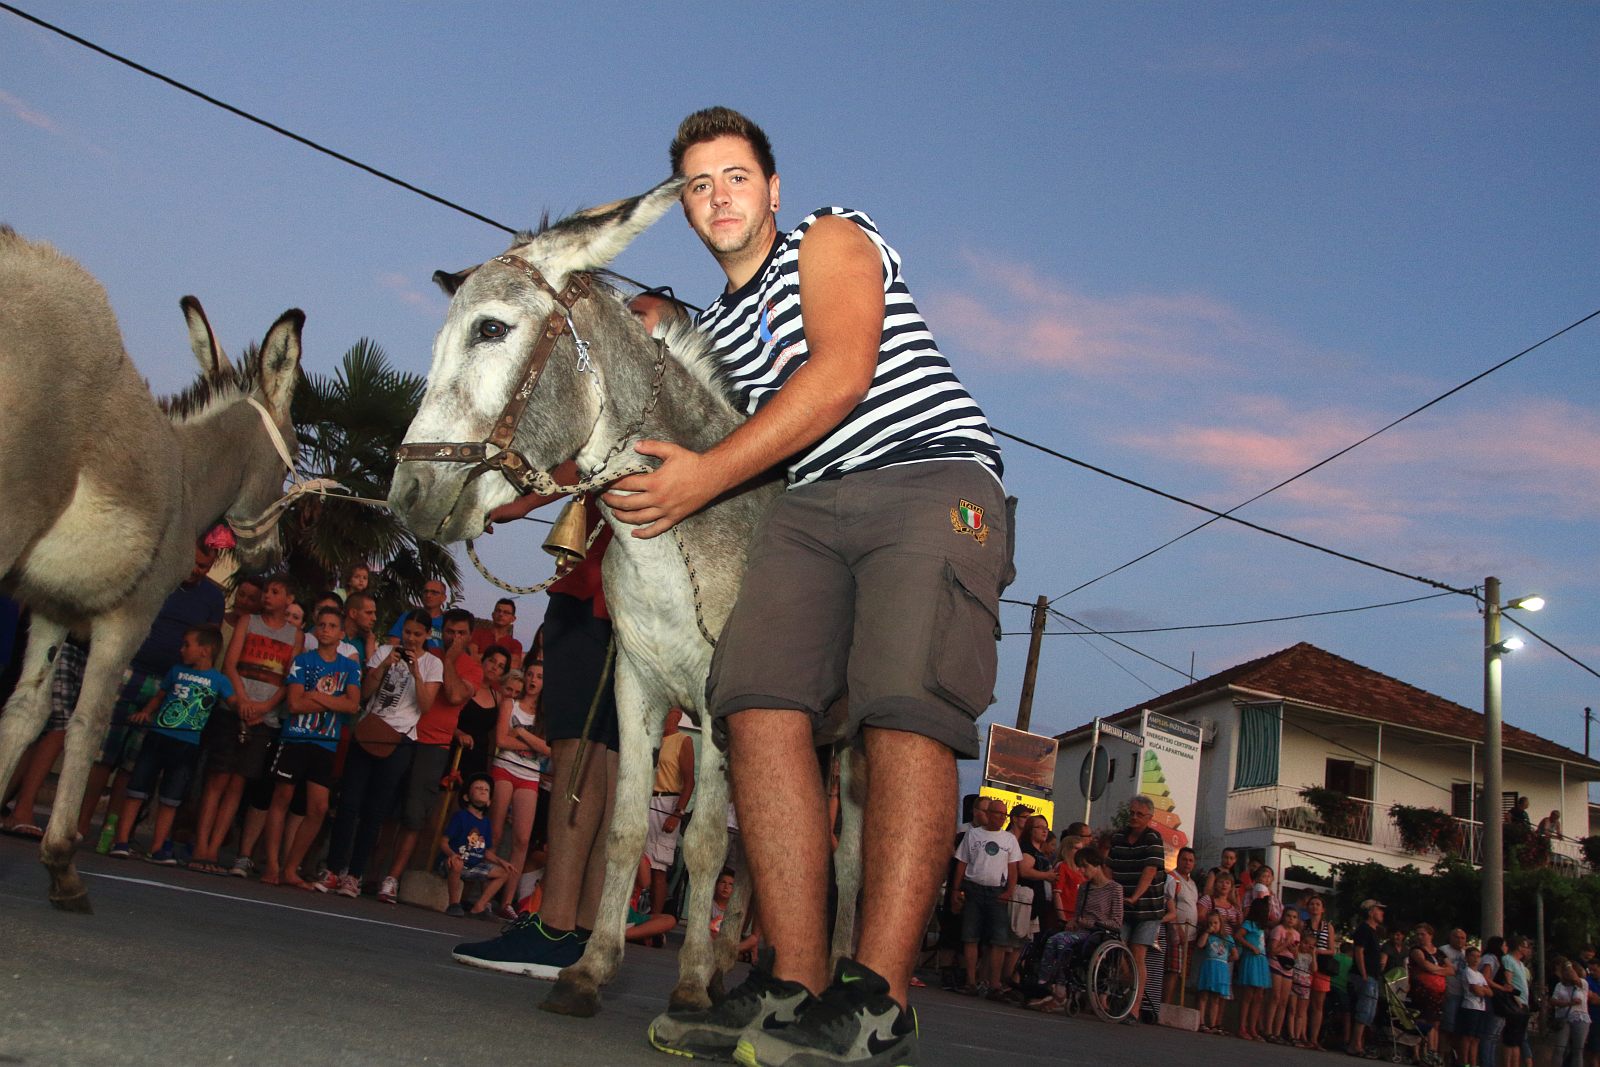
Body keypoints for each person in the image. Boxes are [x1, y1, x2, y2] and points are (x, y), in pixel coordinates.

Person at [626, 107, 1010, 1067]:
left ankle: (877, 998)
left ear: (772, 189)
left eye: (735, 176)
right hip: (807, 502)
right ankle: (793, 984)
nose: (719, 196)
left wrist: (700, 478)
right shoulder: (714, 332)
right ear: (686, 209)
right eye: (699, 185)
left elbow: (840, 374)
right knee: (753, 700)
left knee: (902, 707)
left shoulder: (828, 237)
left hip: (931, 475)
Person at [323, 611, 441, 898]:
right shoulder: (385, 652)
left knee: (375, 811)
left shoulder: (432, 663)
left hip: (400, 740)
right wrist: (386, 665)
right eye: (407, 632)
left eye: (417, 634)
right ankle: (333, 868)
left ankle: (355, 874)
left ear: (427, 635)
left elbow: (426, 706)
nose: (410, 639)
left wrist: (415, 672)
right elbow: (365, 692)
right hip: (370, 730)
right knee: (348, 803)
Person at [191, 575, 296, 878]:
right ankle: (202, 846)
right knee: (217, 779)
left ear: (288, 599)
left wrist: (265, 706)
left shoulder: (295, 636)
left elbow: (289, 678)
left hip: (264, 719)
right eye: (267, 591)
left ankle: (215, 846)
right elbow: (230, 663)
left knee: (238, 784)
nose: (268, 596)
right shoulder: (248, 621)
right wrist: (242, 701)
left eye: (276, 592)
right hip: (233, 711)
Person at [380, 609, 483, 903]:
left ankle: (393, 877)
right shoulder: (427, 654)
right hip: (403, 734)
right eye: (450, 631)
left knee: (414, 815)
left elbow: (454, 695)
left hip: (434, 745)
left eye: (461, 633)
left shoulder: (472, 668)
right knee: (388, 808)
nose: (455, 637)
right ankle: (372, 872)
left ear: (470, 636)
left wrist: (449, 660)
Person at [107, 626, 233, 863]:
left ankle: (157, 847)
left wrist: (249, 709)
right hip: (158, 736)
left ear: (205, 650)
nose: (182, 649)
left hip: (187, 744)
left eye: (187, 645)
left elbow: (234, 701)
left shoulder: (219, 680)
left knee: (171, 798)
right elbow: (160, 696)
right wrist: (146, 712)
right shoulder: (176, 671)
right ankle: (121, 840)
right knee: (137, 789)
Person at [261, 606, 362, 888]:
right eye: (322, 625)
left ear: (341, 634)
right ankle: (272, 864)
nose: (326, 630)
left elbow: (352, 705)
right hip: (295, 737)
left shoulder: (350, 667)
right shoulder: (303, 661)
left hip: (326, 743)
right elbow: (294, 704)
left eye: (332, 625)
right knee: (282, 797)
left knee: (318, 808)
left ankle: (291, 868)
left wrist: (316, 695)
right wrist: (333, 701)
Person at [1027, 847, 1124, 1013]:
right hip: (1081, 930)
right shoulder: (1084, 888)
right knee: (1052, 939)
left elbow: (1116, 922)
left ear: (1097, 865)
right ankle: (1046, 982)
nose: (1082, 871)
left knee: (1062, 942)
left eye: (1085, 866)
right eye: (1080, 867)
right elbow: (1078, 913)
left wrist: (1090, 923)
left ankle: (1060, 990)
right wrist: (1073, 921)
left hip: (1099, 933)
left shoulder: (1114, 888)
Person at [489, 665, 549, 919]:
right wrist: (533, 744)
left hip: (530, 774)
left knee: (523, 839)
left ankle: (507, 901)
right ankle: (483, 891)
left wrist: (521, 732)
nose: (533, 680)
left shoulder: (545, 715)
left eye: (539, 677)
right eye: (530, 675)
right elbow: (501, 740)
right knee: (495, 831)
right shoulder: (510, 704)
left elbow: (549, 749)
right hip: (505, 766)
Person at [950, 797, 1021, 997]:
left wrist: (1009, 891)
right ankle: (971, 981)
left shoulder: (1009, 840)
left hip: (997, 892)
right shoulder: (973, 834)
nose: (1002, 818)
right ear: (988, 814)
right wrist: (956, 889)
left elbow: (1013, 868)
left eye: (1004, 814)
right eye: (998, 813)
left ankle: (994, 983)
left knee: (999, 939)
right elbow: (962, 862)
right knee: (970, 936)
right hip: (973, 889)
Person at [1109, 795, 1168, 1018]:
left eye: (1139, 814)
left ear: (1149, 818)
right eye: (1132, 813)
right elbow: (1109, 867)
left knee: (1138, 953)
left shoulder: (1153, 839)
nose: (1134, 817)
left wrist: (1135, 896)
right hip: (1121, 903)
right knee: (1117, 948)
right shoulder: (1118, 837)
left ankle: (1134, 1008)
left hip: (1148, 907)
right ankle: (1123, 989)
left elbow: (1150, 870)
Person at [645, 708, 696, 923]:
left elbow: (689, 781)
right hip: (645, 798)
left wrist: (677, 813)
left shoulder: (683, 740)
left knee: (659, 865)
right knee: (637, 859)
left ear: (678, 715)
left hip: (667, 801)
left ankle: (655, 921)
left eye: (671, 712)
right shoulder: (650, 737)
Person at [440, 773, 514, 918]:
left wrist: (501, 862)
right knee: (458, 864)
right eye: (478, 788)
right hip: (453, 863)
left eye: (486, 790)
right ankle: (454, 904)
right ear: (466, 797)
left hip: (474, 865)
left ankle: (479, 906)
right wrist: (452, 855)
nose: (483, 791)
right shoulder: (460, 816)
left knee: (504, 872)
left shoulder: (486, 823)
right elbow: (443, 842)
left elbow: (485, 851)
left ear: (489, 801)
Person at [458, 644, 512, 782]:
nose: (494, 667)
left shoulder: (498, 698)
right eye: (492, 661)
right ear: (483, 660)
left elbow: (494, 735)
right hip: (455, 748)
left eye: (500, 666)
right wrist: (458, 733)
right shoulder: (464, 685)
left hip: (479, 755)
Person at [1348, 898, 1386, 1057]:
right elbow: (1359, 951)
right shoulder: (1364, 929)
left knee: (1369, 1012)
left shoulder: (1375, 931)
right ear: (1371, 912)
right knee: (1364, 1010)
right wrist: (1363, 973)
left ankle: (1358, 1043)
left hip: (1373, 976)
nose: (1382, 913)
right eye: (1379, 909)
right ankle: (1355, 1044)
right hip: (1365, 976)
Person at [1409, 924, 1452, 1060]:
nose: (1420, 937)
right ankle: (1418, 1053)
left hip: (1438, 993)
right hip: (1421, 991)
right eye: (1418, 934)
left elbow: (1451, 970)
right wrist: (1440, 970)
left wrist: (1436, 970)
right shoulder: (1416, 950)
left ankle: (1432, 1051)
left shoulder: (1439, 953)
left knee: (1435, 1022)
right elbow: (1425, 965)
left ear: (1430, 935)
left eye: (1423, 934)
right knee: (1422, 1020)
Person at [1194, 910, 1238, 1035]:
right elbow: (1200, 945)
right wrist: (1207, 932)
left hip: (1221, 968)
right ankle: (1202, 1023)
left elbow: (1235, 955)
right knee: (1204, 995)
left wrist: (1226, 960)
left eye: (1215, 923)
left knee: (1216, 998)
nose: (1213, 925)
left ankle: (1213, 1024)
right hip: (1209, 966)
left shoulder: (1228, 938)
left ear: (1220, 923)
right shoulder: (1208, 936)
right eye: (1210, 923)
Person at [1165, 845, 1199, 1003]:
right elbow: (1169, 904)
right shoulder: (1172, 878)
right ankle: (1165, 1005)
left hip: (1191, 935)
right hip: (1176, 933)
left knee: (1182, 973)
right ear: (1178, 860)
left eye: (1191, 860)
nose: (1187, 863)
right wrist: (1177, 929)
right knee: (1173, 971)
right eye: (1184, 859)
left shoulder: (1192, 883)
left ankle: (1174, 1004)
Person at [1265, 906, 1304, 1042]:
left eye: (1294, 917)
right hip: (1276, 963)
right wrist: (1286, 943)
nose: (1291, 919)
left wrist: (1293, 949)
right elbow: (1272, 950)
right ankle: (1268, 1030)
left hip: (1288, 966)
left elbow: (1296, 954)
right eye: (1288, 916)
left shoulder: (1297, 934)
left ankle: (1277, 1032)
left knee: (1283, 1000)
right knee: (1275, 997)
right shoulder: (1278, 930)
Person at [1236, 896, 1273, 1040]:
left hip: (1261, 961)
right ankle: (1242, 1027)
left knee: (1259, 996)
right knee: (1248, 995)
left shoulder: (1261, 927)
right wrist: (1251, 947)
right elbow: (1238, 936)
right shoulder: (1249, 923)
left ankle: (1252, 1028)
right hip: (1251, 959)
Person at [1305, 894, 1338, 1050]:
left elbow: (1332, 950)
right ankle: (1300, 1035)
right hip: (1305, 964)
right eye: (1312, 904)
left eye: (1318, 904)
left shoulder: (1328, 927)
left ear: (1323, 909)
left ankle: (1314, 1038)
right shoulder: (1303, 924)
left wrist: (1317, 951)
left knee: (1318, 1005)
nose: (1315, 907)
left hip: (1323, 966)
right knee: (1303, 1001)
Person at [1552, 961, 1593, 1067]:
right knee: (1559, 1048)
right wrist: (1569, 1003)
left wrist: (1568, 965)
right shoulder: (1559, 985)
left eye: (1570, 970)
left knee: (1577, 1050)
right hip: (1563, 1017)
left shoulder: (1582, 983)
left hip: (1580, 1017)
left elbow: (1574, 978)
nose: (1567, 973)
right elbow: (1553, 1001)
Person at [387, 579, 448, 648]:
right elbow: (392, 644)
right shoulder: (408, 617)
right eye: (425, 592)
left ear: (443, 598)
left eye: (434, 593)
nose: (428, 595)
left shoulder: (447, 622)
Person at [1459, 946, 1490, 1067]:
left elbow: (1490, 992)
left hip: (1481, 1008)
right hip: (1470, 1007)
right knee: (1468, 1036)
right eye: (1473, 956)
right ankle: (1464, 1063)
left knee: (1476, 1038)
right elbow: (1477, 991)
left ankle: (1473, 1063)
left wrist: (1482, 989)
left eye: (1478, 956)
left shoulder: (1480, 975)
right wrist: (1482, 989)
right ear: (1467, 958)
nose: (1476, 959)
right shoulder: (1468, 972)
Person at [471, 598, 524, 664]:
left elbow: (515, 664)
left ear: (513, 619)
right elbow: (472, 658)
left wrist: (483, 657)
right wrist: (502, 661)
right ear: (493, 614)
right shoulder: (477, 633)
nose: (501, 614)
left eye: (506, 612)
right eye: (498, 611)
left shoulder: (515, 644)